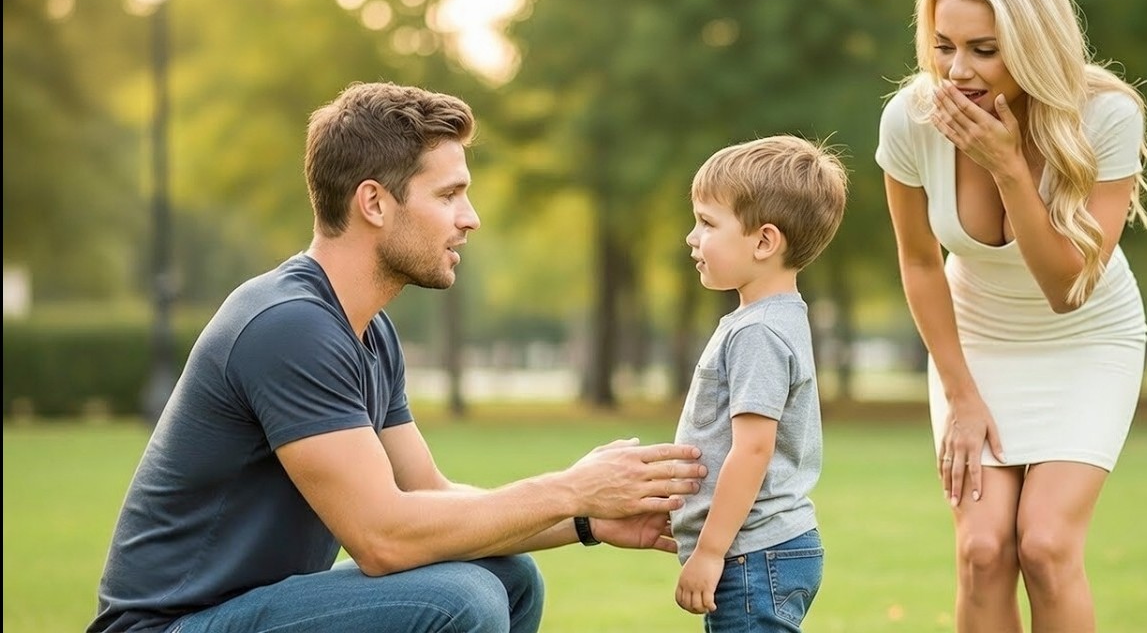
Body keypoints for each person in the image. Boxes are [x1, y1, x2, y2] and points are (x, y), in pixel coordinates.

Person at [89, 81, 708, 633]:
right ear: (375, 203)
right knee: (459, 597)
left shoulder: (367, 332)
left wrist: (585, 520)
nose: (471, 218)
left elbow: (430, 496)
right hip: (173, 626)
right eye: (449, 195)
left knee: (510, 576)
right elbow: (383, 538)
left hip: (252, 610)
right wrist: (570, 488)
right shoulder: (290, 326)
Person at [875, 0, 1147, 633]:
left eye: (984, 48)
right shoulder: (912, 119)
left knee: (1045, 545)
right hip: (975, 342)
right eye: (944, 45)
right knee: (982, 550)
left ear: (1033, 41)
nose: (957, 70)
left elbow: (1067, 288)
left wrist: (1009, 168)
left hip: (1087, 340)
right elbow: (920, 264)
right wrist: (961, 394)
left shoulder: (1106, 117)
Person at [671, 135, 848, 631]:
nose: (692, 236)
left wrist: (709, 551)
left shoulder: (759, 332)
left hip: (753, 555)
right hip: (760, 552)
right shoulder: (770, 320)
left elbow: (753, 450)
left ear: (765, 241)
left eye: (707, 222)